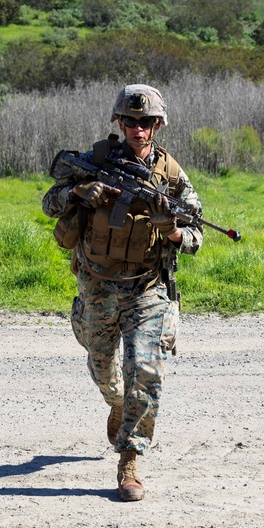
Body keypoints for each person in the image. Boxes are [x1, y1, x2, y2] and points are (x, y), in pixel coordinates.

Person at [42, 84, 204, 501]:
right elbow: (49, 201)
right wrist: (78, 192)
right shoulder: (95, 162)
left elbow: (197, 235)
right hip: (97, 284)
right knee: (103, 369)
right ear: (119, 122)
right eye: (130, 121)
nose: (138, 129)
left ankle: (129, 459)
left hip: (147, 287)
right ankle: (117, 404)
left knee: (145, 371)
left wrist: (171, 231)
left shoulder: (170, 176)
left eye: (146, 122)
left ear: (158, 125)